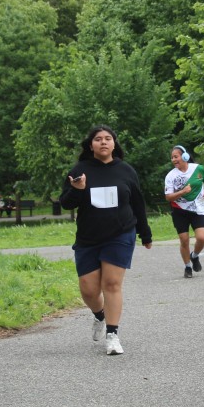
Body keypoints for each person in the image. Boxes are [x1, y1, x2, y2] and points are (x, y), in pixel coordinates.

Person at [60, 125, 153, 355]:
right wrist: (78, 189)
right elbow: (66, 203)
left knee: (111, 284)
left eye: (108, 138)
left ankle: (112, 335)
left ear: (114, 144)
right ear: (90, 145)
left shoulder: (126, 170)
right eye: (98, 139)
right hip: (89, 237)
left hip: (120, 234)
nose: (103, 142)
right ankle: (99, 315)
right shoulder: (80, 170)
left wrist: (145, 233)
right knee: (89, 290)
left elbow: (138, 204)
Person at [163, 144, 204, 278]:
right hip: (179, 211)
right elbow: (168, 197)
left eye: (176, 156)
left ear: (184, 156)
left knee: (201, 238)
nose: (174, 160)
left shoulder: (198, 168)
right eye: (172, 157)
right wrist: (182, 192)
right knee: (184, 240)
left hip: (198, 208)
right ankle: (187, 267)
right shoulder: (170, 176)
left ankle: (194, 256)